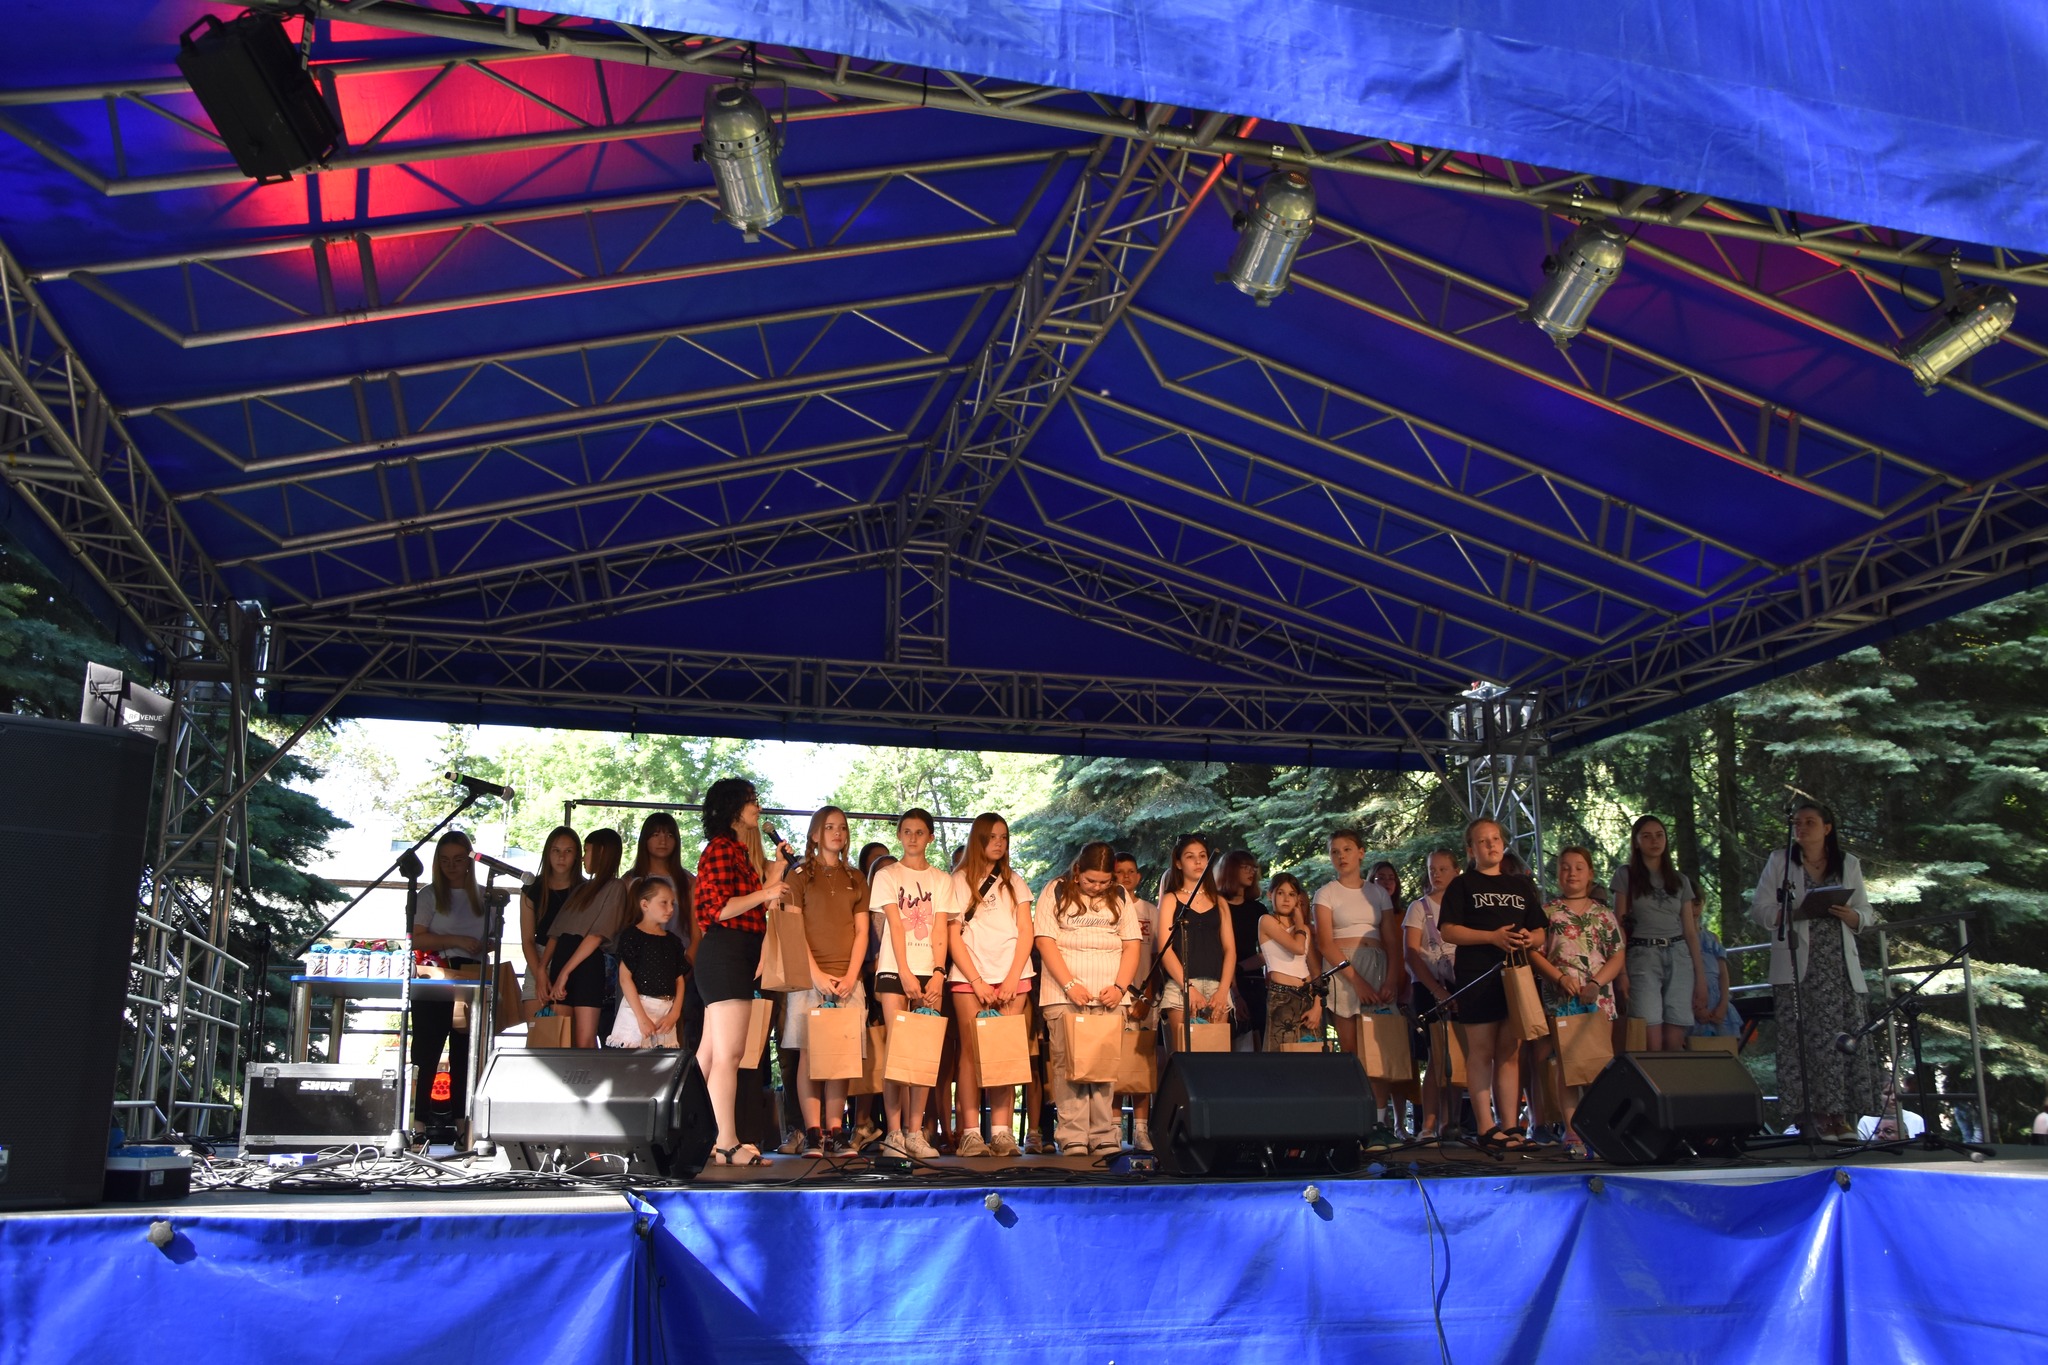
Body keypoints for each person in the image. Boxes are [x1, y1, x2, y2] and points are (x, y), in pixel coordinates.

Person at [1748, 799, 1878, 1140]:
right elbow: (1760, 909)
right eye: (1797, 822)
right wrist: (1790, 913)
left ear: (1827, 828)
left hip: (1838, 967)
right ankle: (1812, 1117)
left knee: (1839, 1040)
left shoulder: (1847, 863)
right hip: (1797, 966)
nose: (1801, 827)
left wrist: (1853, 916)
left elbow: (1866, 912)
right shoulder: (1780, 861)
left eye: (1809, 822)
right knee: (1803, 1041)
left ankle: (1840, 1118)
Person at [693, 778, 791, 1166]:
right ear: (734, 808)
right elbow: (720, 908)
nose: (758, 808)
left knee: (710, 1054)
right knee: (729, 1055)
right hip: (725, 954)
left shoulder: (736, 851)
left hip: (733, 955)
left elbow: (752, 905)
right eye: (752, 801)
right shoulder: (720, 849)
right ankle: (726, 1142)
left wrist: (777, 871)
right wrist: (767, 893)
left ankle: (694, 1135)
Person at [1437, 817, 1548, 1149]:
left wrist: (1530, 938)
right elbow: (1448, 930)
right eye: (1483, 841)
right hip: (1478, 975)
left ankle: (1511, 1125)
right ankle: (1486, 1127)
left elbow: (1540, 931)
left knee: (1510, 1051)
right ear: (1471, 849)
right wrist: (1491, 937)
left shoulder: (1520, 886)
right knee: (1482, 1051)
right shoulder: (1462, 885)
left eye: (1496, 838)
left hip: (1516, 976)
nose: (1491, 845)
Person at [1033, 842, 1143, 1155]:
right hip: (1064, 993)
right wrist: (1069, 984)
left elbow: (1132, 944)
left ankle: (1104, 1133)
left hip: (1109, 995)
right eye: (1091, 880)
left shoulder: (1119, 895)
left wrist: (1120, 987)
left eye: (1103, 882)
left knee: (1104, 1065)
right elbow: (1044, 941)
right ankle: (1073, 1135)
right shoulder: (1055, 890)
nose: (1096, 887)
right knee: (1069, 1065)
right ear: (1078, 870)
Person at [949, 812, 1036, 1158]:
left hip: (1013, 976)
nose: (999, 843)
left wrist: (1013, 976)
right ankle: (971, 1133)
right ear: (978, 840)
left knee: (1006, 1053)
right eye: (992, 837)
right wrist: (977, 980)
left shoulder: (1015, 881)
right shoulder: (958, 881)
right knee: (971, 1054)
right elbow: (953, 936)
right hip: (970, 976)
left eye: (1004, 837)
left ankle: (1002, 1133)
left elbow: (1026, 931)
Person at [785, 806, 870, 1156]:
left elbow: (862, 931)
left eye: (843, 827)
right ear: (815, 834)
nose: (838, 833)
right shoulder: (799, 875)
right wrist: (816, 974)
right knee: (810, 1054)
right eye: (830, 827)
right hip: (809, 978)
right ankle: (813, 1132)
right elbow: (793, 928)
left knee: (841, 1055)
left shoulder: (856, 877)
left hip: (847, 978)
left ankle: (836, 1130)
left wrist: (851, 975)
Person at [1526, 847, 1623, 1154]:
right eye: (1565, 867)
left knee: (1597, 1066)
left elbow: (1617, 955)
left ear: (1590, 873)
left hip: (1598, 1000)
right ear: (1558, 874)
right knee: (1566, 1068)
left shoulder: (1603, 914)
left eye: (1579, 867)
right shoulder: (1547, 912)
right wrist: (1558, 978)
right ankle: (1572, 1132)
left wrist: (1596, 983)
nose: (1572, 873)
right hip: (1562, 1000)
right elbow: (1534, 954)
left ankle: (1599, 1129)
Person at [869, 809, 953, 1160]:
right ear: (899, 835)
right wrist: (903, 971)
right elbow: (893, 924)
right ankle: (894, 1133)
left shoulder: (942, 879)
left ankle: (915, 1132)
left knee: (923, 1052)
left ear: (930, 837)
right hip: (894, 969)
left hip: (928, 970)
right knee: (897, 1051)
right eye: (907, 831)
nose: (913, 838)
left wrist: (938, 972)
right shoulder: (887, 875)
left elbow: (940, 927)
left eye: (920, 832)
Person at [1312, 829, 1398, 1134]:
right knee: (1350, 1049)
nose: (1341, 856)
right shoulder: (1326, 893)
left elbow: (1392, 940)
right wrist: (1356, 981)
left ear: (1361, 853)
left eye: (1347, 849)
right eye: (1335, 851)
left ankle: (1380, 1121)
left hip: (1377, 966)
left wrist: (1392, 978)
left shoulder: (1378, 893)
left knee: (1379, 1049)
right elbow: (1325, 943)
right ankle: (1355, 1118)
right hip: (1344, 970)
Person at [409, 831, 488, 1134]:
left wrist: (480, 945)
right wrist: (456, 940)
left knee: (467, 1053)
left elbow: (493, 938)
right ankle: (417, 1123)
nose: (452, 866)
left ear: (469, 862)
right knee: (426, 1050)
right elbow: (416, 937)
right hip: (436, 974)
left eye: (457, 860)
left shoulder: (484, 896)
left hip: (472, 974)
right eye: (444, 861)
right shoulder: (429, 895)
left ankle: (463, 1123)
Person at [1612, 815, 1708, 1051]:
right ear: (1636, 842)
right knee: (1651, 1038)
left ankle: (1675, 1078)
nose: (1654, 841)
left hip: (1679, 954)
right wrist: (1621, 971)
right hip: (1643, 955)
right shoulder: (1625, 875)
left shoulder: (1680, 880)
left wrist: (1701, 977)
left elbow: (1690, 931)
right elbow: (1618, 926)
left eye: (1659, 835)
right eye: (1646, 836)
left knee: (1674, 1039)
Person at [540, 829, 626, 1049]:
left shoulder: (615, 887)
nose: (583, 857)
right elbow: (556, 933)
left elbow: (597, 935)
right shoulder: (580, 890)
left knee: (584, 1039)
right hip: (562, 960)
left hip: (588, 965)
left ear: (601, 852)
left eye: (587, 851)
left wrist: (565, 972)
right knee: (559, 1038)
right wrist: (542, 969)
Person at [1158, 834, 1235, 1052]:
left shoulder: (1219, 901)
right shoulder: (1170, 899)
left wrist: (1223, 990)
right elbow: (1164, 949)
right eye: (1190, 857)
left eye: (1202, 856)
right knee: (1184, 1058)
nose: (1198, 861)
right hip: (1181, 987)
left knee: (1216, 1059)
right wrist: (1188, 988)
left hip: (1217, 986)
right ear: (1178, 863)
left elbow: (1230, 949)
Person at [1403, 848, 1459, 1139]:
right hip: (1428, 986)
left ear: (1456, 872)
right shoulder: (1419, 908)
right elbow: (1411, 954)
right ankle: (1428, 1125)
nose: (1436, 874)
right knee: (1437, 1056)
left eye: (1442, 869)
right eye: (1432, 869)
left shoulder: (1463, 906)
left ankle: (1451, 1123)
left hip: (1459, 985)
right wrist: (1436, 990)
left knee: (1457, 1056)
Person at [1112, 851, 1159, 1151]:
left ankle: (1141, 1130)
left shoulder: (1150, 910)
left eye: (1131, 871)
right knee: (1115, 1063)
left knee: (1142, 1064)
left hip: (1143, 997)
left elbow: (1156, 958)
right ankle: (1113, 1129)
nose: (1126, 876)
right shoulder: (1108, 907)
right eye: (1120, 872)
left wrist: (1148, 996)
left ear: (1139, 876)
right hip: (1116, 996)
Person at [609, 876, 686, 1048]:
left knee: (663, 1060)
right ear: (645, 904)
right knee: (633, 1059)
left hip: (666, 1011)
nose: (670, 908)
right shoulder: (631, 936)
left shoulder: (673, 941)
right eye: (663, 902)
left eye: (672, 903)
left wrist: (674, 1013)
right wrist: (641, 1017)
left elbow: (679, 980)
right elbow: (625, 978)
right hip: (637, 1008)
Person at [519, 825, 583, 1021]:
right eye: (556, 850)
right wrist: (539, 974)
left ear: (577, 856)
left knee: (565, 1032)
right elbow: (527, 939)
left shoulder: (584, 889)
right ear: (547, 853)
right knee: (537, 1029)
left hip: (572, 960)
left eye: (568, 851)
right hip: (538, 957)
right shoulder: (532, 889)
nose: (561, 857)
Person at [1258, 873, 1320, 1051]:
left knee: (1311, 1055)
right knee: (1281, 1056)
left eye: (1291, 894)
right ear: (1270, 894)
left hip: (1307, 997)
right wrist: (1299, 921)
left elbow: (1316, 971)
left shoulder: (1304, 929)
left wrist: (1317, 1006)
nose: (1286, 899)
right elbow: (1298, 948)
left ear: (1298, 898)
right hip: (1282, 997)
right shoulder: (1266, 921)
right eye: (1281, 893)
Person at [1217, 850, 1268, 1050]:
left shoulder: (1258, 910)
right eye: (1245, 867)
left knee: (1257, 1042)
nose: (1251, 872)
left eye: (1253, 868)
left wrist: (1239, 967)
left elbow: (1267, 953)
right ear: (1230, 870)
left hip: (1254, 982)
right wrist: (1234, 991)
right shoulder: (1217, 906)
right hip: (1223, 983)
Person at [1690, 918, 1743, 1042]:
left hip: (1718, 1002)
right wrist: (1695, 1008)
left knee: (1726, 1046)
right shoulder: (1677, 939)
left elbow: (1723, 974)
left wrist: (1723, 1004)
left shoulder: (1712, 938)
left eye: (1697, 906)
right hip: (1692, 1003)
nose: (1694, 909)